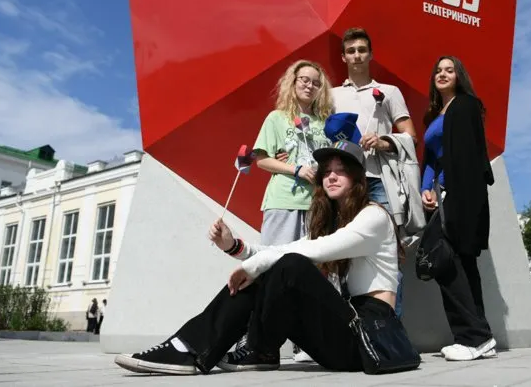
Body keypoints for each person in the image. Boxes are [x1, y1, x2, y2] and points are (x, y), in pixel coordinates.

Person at [114, 140, 404, 375]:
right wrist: (234, 247)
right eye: (326, 170)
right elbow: (284, 249)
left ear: (358, 178)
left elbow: (313, 250)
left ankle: (213, 348)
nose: (330, 176)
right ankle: (219, 348)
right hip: (339, 334)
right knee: (281, 265)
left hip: (366, 340)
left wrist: (254, 266)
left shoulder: (374, 217)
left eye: (341, 171)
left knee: (290, 265)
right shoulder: (332, 225)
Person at [245, 59, 334, 362]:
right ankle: (259, 342)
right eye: (304, 80)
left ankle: (305, 342)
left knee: (314, 273)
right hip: (283, 202)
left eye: (316, 82)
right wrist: (295, 168)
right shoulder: (277, 118)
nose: (310, 85)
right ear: (293, 83)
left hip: (317, 205)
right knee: (271, 269)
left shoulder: (324, 123)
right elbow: (261, 160)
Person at [330, 27, 418, 317]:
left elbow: (411, 136)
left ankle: (390, 330)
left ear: (371, 55)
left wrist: (384, 141)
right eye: (351, 51)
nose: (356, 55)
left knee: (389, 254)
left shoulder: (390, 92)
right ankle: (352, 330)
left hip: (380, 181)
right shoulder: (330, 95)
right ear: (343, 57)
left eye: (361, 50)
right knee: (343, 254)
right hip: (345, 184)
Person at [421, 56, 496, 361]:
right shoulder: (435, 115)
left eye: (449, 70)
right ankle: (482, 336)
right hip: (442, 194)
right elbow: (431, 157)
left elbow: (466, 157)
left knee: (448, 262)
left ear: (458, 76)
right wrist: (426, 188)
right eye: (438, 70)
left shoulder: (465, 106)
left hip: (460, 194)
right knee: (462, 265)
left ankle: (473, 337)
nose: (442, 74)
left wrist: (447, 190)